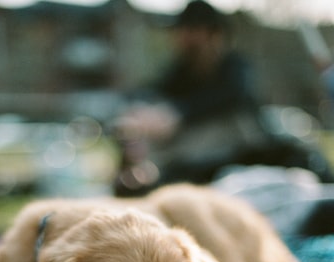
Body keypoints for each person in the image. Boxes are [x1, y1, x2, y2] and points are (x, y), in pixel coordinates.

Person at [113, 0, 334, 195]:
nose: (181, 39)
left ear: (213, 34)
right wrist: (137, 115)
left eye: (190, 31)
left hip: (246, 154)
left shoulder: (234, 68)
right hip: (203, 163)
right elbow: (150, 91)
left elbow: (228, 95)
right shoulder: (181, 72)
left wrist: (177, 114)